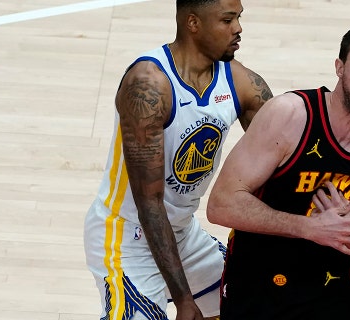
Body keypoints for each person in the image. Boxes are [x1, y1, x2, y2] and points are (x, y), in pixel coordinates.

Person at [206, 19, 350, 319]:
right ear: (340, 67)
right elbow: (220, 205)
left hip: (332, 298)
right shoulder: (290, 115)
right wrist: (310, 228)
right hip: (255, 289)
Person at [83, 0, 273, 319]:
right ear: (193, 23)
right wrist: (184, 299)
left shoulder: (242, 83)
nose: (238, 28)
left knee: (263, 303)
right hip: (126, 237)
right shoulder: (148, 85)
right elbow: (149, 204)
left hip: (182, 234)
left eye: (239, 18)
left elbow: (285, 159)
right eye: (227, 20)